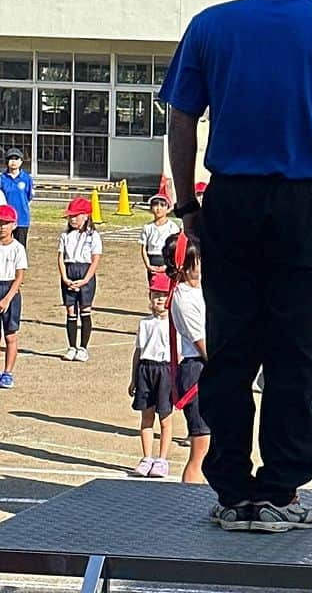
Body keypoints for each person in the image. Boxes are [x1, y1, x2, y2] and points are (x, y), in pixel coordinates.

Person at [160, 0, 312, 532]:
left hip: (231, 197)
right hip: (300, 203)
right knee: (296, 353)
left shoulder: (211, 26)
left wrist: (189, 201)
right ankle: (280, 492)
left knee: (232, 348)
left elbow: (182, 118)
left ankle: (234, 490)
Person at [163, 232, 212, 484]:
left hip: (206, 368)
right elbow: (203, 345)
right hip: (198, 368)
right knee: (200, 448)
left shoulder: (198, 289)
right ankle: (189, 497)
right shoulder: (182, 298)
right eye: (198, 260)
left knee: (210, 444)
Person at [127, 273, 175, 479]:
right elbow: (138, 351)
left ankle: (162, 460)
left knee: (165, 418)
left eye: (164, 295)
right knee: (147, 417)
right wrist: (133, 377)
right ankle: (147, 457)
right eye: (156, 294)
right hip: (146, 370)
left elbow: (178, 353)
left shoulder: (174, 324)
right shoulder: (145, 323)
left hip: (165, 371)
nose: (160, 299)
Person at [0, 205, 27, 389]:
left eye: (6, 223)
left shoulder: (18, 248)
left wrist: (8, 298)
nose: (2, 227)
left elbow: (20, 277)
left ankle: (8, 372)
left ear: (14, 225)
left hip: (10, 291)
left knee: (10, 336)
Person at [57, 197, 102, 362]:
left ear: (86, 216)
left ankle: (83, 347)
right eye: (70, 216)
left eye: (76, 215)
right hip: (69, 271)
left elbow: (95, 259)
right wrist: (65, 277)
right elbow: (61, 258)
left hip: (85, 272)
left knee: (85, 309)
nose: (72, 219)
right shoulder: (65, 235)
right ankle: (71, 346)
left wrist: (85, 280)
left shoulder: (93, 236)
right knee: (70, 310)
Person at [138, 188, 180, 285]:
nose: (158, 208)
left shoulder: (172, 227)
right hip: (152, 259)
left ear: (168, 208)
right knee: (154, 288)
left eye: (162, 205)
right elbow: (144, 248)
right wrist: (148, 265)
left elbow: (175, 248)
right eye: (155, 205)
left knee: (166, 289)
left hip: (167, 261)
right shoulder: (147, 227)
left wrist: (168, 265)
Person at [0, 149, 32, 247]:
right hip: (5, 218)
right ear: (6, 162)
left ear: (21, 161)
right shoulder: (1, 179)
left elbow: (28, 197)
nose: (13, 161)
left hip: (22, 219)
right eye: (10, 159)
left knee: (20, 247)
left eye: (16, 159)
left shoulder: (27, 178)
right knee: (3, 245)